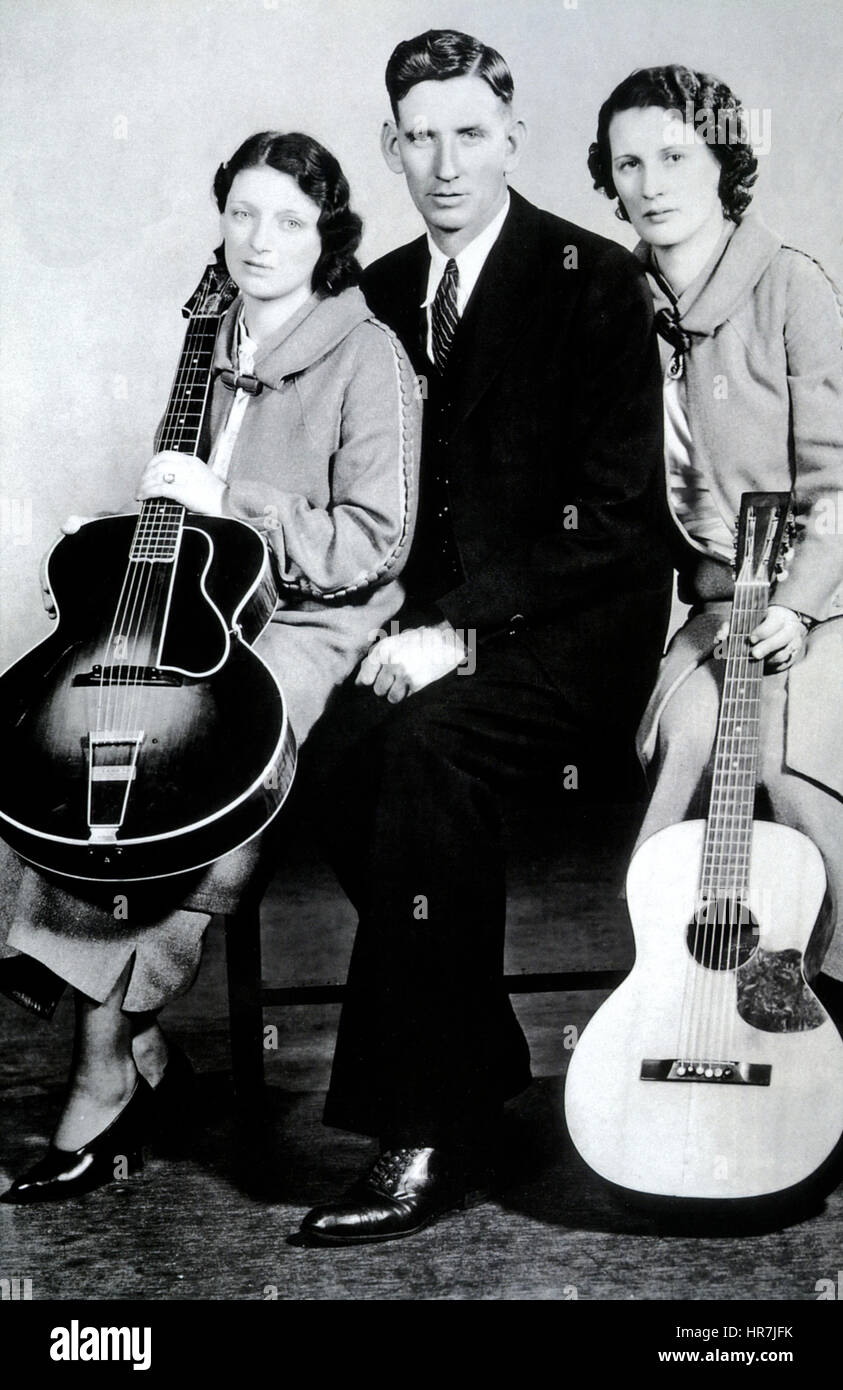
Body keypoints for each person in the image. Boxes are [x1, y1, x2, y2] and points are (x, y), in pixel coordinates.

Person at [296, 29, 673, 1246]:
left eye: (472, 132)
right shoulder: (380, 293)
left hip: (573, 636)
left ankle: (420, 1126)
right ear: (391, 146)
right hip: (422, 633)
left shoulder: (596, 278)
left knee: (424, 757)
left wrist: (461, 630)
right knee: (325, 752)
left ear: (512, 135)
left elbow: (617, 520)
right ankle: (475, 1067)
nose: (447, 161)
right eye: (422, 136)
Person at [0, 130, 420, 1203]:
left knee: (190, 788)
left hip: (308, 619)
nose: (258, 239)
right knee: (72, 738)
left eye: (288, 219)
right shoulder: (212, 337)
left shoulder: (367, 353)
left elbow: (374, 541)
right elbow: (175, 510)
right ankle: (129, 1047)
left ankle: (105, 1066)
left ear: (329, 234)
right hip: (202, 606)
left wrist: (232, 506)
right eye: (241, 213)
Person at [587, 66, 843, 1000]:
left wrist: (803, 608)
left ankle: (815, 999)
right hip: (711, 607)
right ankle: (684, 997)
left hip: (821, 601)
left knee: (784, 760)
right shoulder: (613, 300)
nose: (650, 184)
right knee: (685, 742)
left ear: (723, 161)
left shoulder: (790, 287)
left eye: (674, 156)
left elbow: (838, 482)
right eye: (627, 164)